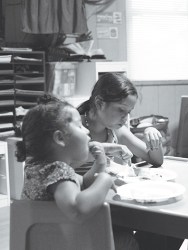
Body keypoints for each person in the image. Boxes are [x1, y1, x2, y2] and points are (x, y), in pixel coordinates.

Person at [77, 73, 183, 250]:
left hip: (112, 208)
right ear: (99, 103)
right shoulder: (76, 129)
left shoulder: (115, 130)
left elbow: (155, 160)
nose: (125, 118)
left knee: (171, 226)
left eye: (128, 112)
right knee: (162, 229)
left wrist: (152, 135)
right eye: (120, 110)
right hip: (87, 213)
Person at [18, 94, 139, 250]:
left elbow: (83, 183)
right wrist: (105, 179)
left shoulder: (38, 169)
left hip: (43, 244)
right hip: (69, 244)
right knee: (130, 241)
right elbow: (77, 209)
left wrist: (100, 163)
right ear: (60, 138)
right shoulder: (58, 171)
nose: (87, 131)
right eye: (80, 126)